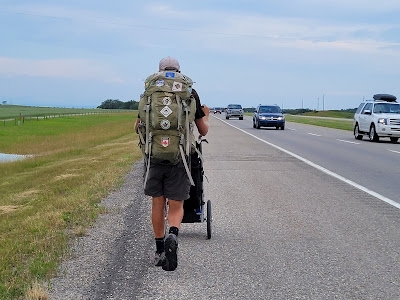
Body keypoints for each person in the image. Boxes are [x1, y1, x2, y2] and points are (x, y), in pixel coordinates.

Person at [135, 57, 209, 271]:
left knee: (158, 203)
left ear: (159, 71)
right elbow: (202, 130)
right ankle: (173, 235)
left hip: (154, 156)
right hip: (180, 156)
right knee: (176, 205)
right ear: (179, 71)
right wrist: (206, 116)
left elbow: (138, 125)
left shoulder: (150, 91)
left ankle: (159, 250)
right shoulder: (189, 92)